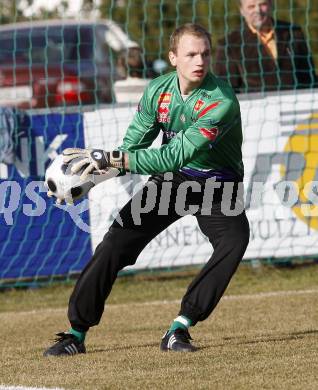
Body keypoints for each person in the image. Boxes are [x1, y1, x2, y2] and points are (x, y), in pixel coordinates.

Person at [43, 23, 250, 356]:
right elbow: (133, 146)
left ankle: (180, 327)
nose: (200, 60)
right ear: (173, 58)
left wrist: (111, 158)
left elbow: (171, 154)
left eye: (205, 54)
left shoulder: (220, 100)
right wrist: (97, 174)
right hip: (175, 180)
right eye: (191, 54)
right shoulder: (158, 91)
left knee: (235, 240)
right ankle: (75, 334)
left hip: (218, 184)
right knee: (114, 244)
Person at [214, 0, 317, 93]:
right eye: (251, 6)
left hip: (296, 108)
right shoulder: (229, 44)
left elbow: (310, 77)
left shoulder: (293, 32)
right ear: (242, 10)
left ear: (271, 4)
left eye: (262, 4)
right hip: (255, 110)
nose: (258, 10)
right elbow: (225, 93)